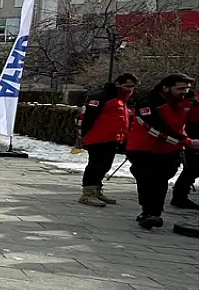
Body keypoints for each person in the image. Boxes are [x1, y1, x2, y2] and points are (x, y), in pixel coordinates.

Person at [126, 72, 194, 229]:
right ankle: (149, 212)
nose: (184, 92)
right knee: (147, 179)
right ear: (166, 88)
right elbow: (157, 127)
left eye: (187, 88)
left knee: (160, 180)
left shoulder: (187, 102)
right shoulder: (148, 103)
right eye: (180, 88)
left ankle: (153, 213)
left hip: (170, 149)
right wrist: (187, 141)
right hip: (143, 149)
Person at [77, 73, 137, 207]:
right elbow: (88, 118)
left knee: (105, 165)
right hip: (97, 138)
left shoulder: (121, 100)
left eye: (132, 87)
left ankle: (96, 190)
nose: (130, 89)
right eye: (127, 86)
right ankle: (87, 193)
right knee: (96, 165)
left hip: (112, 139)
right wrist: (84, 136)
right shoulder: (102, 97)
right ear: (118, 84)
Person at [171, 91, 199, 210]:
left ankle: (180, 196)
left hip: (192, 134)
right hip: (192, 136)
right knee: (192, 168)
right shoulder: (191, 104)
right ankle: (179, 197)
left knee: (193, 169)